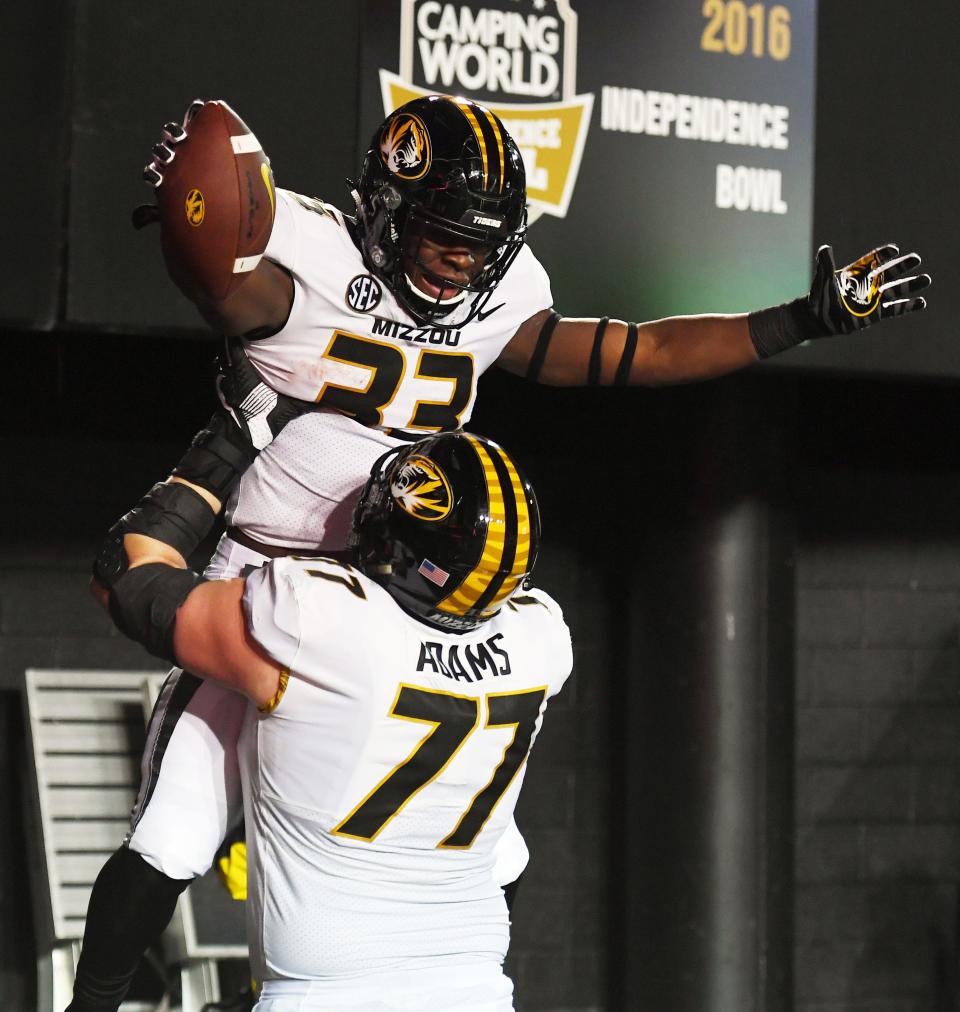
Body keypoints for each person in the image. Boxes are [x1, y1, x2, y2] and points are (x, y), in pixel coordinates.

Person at [66, 93, 931, 1011]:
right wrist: (197, 219)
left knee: (474, 849)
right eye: (444, 236)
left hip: (394, 608)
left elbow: (636, 353)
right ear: (387, 209)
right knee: (175, 834)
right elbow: (221, 274)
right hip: (266, 589)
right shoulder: (307, 257)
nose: (463, 263)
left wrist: (798, 319)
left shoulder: (504, 296)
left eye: (483, 244)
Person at [92, 430, 573, 1012]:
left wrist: (219, 451)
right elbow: (505, 875)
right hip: (479, 990)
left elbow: (128, 579)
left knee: (166, 841)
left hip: (323, 992)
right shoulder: (540, 638)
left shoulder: (315, 616)